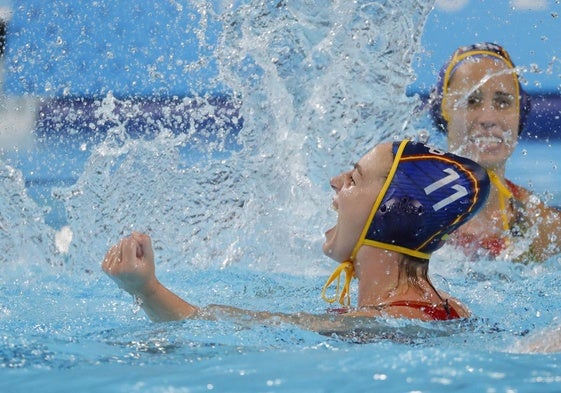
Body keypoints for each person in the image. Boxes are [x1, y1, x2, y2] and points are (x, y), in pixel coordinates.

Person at [102, 140, 490, 326]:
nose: (336, 182)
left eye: (353, 179)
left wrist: (146, 289)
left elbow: (228, 328)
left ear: (391, 213)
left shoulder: (378, 326)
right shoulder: (451, 308)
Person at [429, 42, 561, 262]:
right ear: (444, 111)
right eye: (471, 101)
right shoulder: (411, 217)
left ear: (520, 113)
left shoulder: (542, 227)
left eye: (503, 102)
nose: (488, 118)